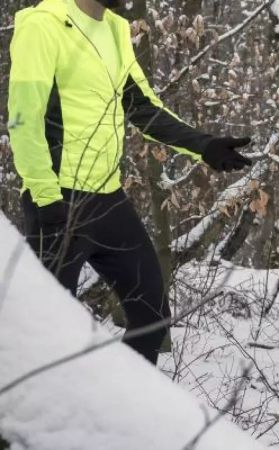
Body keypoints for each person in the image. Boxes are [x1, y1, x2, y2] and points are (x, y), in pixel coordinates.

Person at [7, 0, 252, 365]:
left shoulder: (115, 29)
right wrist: (46, 198)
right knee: (46, 341)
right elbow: (24, 120)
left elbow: (141, 107)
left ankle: (122, 410)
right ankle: (42, 418)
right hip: (58, 203)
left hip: (108, 201)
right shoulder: (44, 24)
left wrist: (203, 145)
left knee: (151, 315)